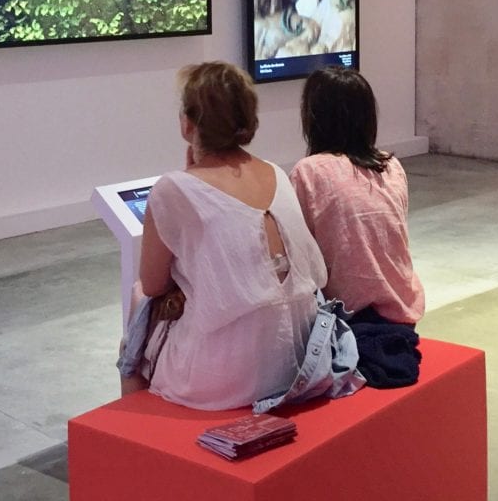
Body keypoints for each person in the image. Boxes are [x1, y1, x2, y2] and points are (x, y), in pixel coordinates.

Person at [132, 61, 329, 410]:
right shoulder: (276, 173)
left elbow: (152, 284)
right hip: (299, 358)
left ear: (188, 123)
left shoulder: (173, 189)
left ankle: (131, 420)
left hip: (222, 376)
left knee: (138, 300)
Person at [289, 67, 425, 325]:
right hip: (403, 312)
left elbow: (299, 260)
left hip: (345, 320)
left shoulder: (309, 172)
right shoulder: (390, 165)